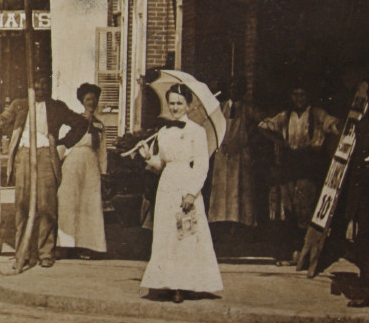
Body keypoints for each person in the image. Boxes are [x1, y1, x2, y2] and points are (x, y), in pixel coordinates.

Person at [138, 83, 223, 302]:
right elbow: (162, 164)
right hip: (167, 186)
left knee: (185, 234)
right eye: (172, 103)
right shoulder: (163, 131)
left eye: (179, 103)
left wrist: (190, 193)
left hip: (186, 184)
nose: (175, 107)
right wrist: (149, 157)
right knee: (166, 234)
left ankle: (182, 286)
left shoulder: (197, 131)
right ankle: (166, 282)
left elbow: (202, 166)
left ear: (188, 105)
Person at [0, 75, 88, 267]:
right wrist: (11, 134)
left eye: (43, 88)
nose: (39, 92)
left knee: (46, 205)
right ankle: (23, 251)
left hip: (46, 155)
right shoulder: (19, 105)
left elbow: (81, 123)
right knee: (23, 204)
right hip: (24, 155)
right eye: (35, 88)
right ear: (29, 88)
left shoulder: (56, 107)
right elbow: (2, 122)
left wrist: (62, 143)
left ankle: (45, 252)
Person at [260, 84, 339, 261]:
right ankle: (294, 250)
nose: (298, 98)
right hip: (290, 165)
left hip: (308, 163)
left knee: (305, 205)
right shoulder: (285, 116)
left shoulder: (317, 114)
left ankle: (307, 250)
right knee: (289, 207)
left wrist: (327, 137)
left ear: (308, 96)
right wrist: (279, 140)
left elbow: (333, 125)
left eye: (302, 94)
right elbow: (264, 126)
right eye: (295, 95)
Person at [57, 82, 107, 257]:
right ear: (82, 101)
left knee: (90, 203)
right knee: (69, 201)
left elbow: (102, 150)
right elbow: (64, 144)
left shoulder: (100, 125)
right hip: (74, 162)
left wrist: (103, 172)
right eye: (88, 99)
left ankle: (89, 246)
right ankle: (66, 245)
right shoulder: (75, 120)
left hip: (92, 164)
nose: (91, 102)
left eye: (94, 99)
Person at [208, 79, 262, 232]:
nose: (234, 91)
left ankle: (239, 225)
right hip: (223, 155)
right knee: (221, 189)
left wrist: (241, 142)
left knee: (240, 190)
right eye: (231, 87)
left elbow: (261, 126)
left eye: (238, 88)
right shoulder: (220, 107)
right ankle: (221, 224)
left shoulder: (248, 109)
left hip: (240, 154)